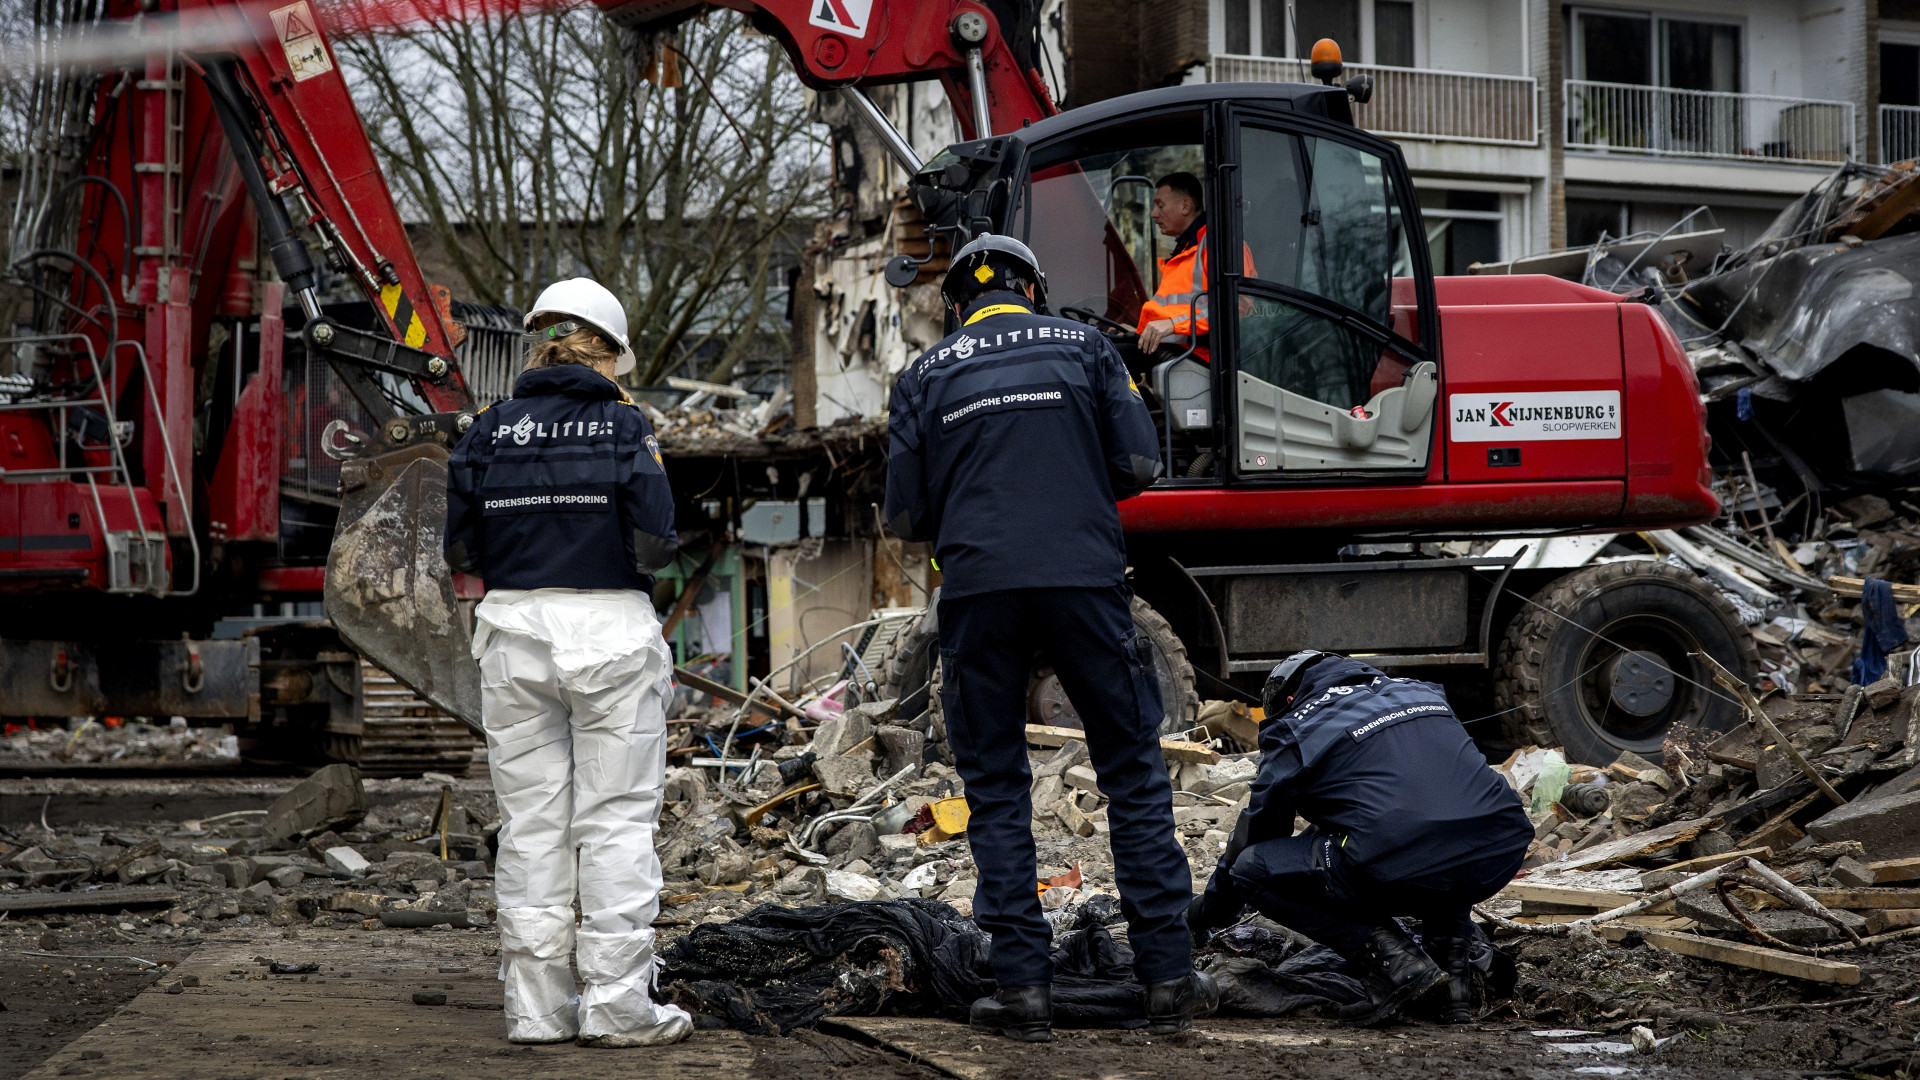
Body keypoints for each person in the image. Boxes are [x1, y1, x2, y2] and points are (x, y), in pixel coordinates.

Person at [884, 233, 1216, 1042]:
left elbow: (905, 517)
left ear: (957, 302)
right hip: (1083, 585)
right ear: (1031, 288)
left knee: (995, 789)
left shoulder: (922, 376)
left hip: (979, 594)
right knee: (1132, 772)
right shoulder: (1087, 349)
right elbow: (1138, 465)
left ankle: (1023, 990)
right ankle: (1169, 978)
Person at [444, 277, 690, 1048]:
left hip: (514, 632)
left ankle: (536, 1010)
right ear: (610, 352)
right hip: (610, 632)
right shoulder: (624, 427)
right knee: (614, 824)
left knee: (532, 826)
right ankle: (618, 1008)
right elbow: (654, 542)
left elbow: (461, 554)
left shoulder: (486, 430)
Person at [1186, 650, 1532, 1026]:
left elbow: (1257, 836)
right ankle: (1455, 984)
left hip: (1401, 859)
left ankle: (1399, 967)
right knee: (1447, 834)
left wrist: (1206, 913)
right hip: (1502, 846)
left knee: (1255, 869)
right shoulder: (1422, 693)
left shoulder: (1296, 726)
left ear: (1287, 698)